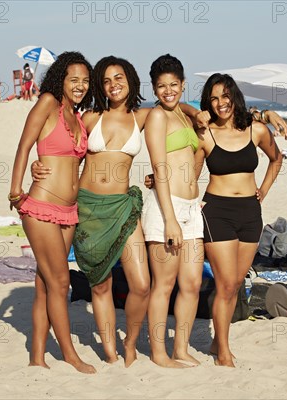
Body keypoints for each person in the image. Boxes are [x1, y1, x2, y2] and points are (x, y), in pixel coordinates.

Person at [30, 56, 205, 367]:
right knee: (101, 284)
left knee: (141, 284)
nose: (114, 85)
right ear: (101, 85)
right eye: (107, 80)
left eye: (119, 78)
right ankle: (110, 352)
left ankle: (130, 339)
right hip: (88, 208)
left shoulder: (142, 117)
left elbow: (174, 105)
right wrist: (38, 164)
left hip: (123, 206)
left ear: (131, 81)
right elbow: (61, 146)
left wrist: (195, 110)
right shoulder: (89, 118)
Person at [8, 51, 96, 374]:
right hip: (42, 206)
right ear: (61, 78)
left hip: (69, 212)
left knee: (45, 284)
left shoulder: (77, 114)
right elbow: (25, 144)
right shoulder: (47, 102)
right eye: (74, 79)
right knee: (62, 283)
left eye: (86, 81)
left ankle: (37, 356)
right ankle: (70, 354)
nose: (80, 86)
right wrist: (16, 191)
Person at [198, 73, 282, 367]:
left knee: (234, 284)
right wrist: (157, 178)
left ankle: (214, 341)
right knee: (224, 284)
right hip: (217, 212)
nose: (221, 103)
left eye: (225, 96)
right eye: (214, 98)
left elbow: (277, 158)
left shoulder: (256, 130)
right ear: (208, 103)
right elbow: (189, 174)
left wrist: (264, 190)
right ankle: (223, 352)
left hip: (250, 212)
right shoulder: (204, 134)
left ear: (234, 96)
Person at [142, 54, 205, 368]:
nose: (168, 90)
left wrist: (195, 110)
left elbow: (193, 117)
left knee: (192, 283)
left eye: (174, 84)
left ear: (182, 84)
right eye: (161, 86)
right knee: (163, 285)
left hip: (193, 208)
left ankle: (181, 348)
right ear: (154, 88)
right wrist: (169, 220)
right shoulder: (157, 117)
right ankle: (159, 353)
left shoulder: (182, 113)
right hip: (166, 209)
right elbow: (160, 167)